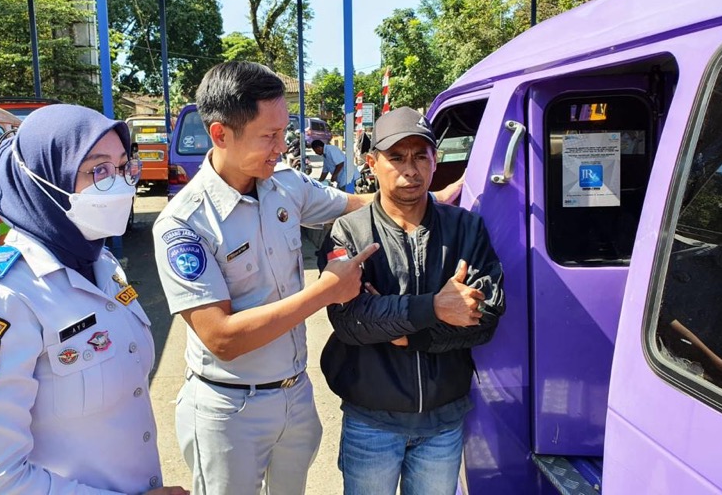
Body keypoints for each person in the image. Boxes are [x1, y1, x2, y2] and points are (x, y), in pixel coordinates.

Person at [153, 61, 379, 495]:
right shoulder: (185, 224)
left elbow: (354, 203)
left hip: (294, 396)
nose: (283, 146)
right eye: (269, 136)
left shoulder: (285, 186)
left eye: (283, 132)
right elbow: (222, 338)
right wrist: (327, 291)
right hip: (229, 411)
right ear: (221, 134)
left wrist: (425, 195)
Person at [0, 104, 188, 495]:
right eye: (98, 170)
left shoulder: (101, 263)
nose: (121, 184)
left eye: (124, 166)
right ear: (44, 181)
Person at [319, 106, 505, 495]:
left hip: (443, 424)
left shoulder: (466, 228)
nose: (411, 169)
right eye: (397, 157)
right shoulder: (349, 233)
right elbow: (351, 321)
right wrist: (436, 308)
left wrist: (411, 334)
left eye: (421, 155)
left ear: (436, 162)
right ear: (372, 163)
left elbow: (485, 316)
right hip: (371, 424)